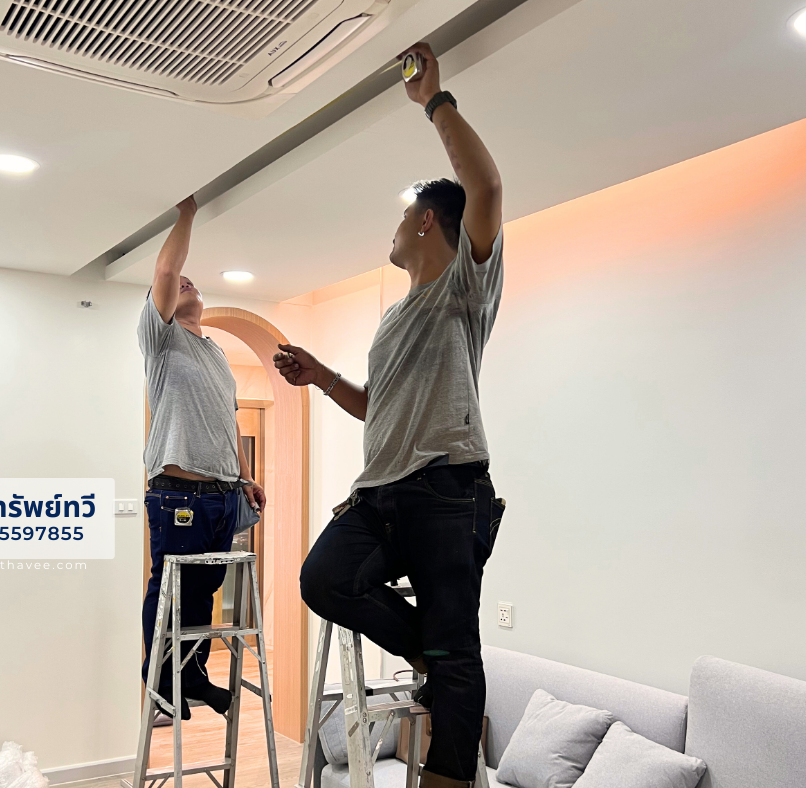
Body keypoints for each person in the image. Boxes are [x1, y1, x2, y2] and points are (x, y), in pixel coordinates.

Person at [274, 43, 504, 788]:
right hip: (383, 494)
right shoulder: (398, 316)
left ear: (430, 222)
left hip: (446, 489)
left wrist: (433, 100)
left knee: (455, 650)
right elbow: (378, 407)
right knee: (323, 579)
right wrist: (321, 377)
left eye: (406, 217)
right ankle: (426, 653)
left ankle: (447, 767)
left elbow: (486, 185)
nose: (396, 229)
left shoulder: (462, 288)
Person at [139, 195, 266, 721]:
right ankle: (158, 680)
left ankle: (191, 676)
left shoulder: (215, 352)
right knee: (172, 586)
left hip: (222, 496)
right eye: (180, 285)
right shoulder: (161, 339)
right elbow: (167, 271)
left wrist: (246, 478)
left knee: (202, 594)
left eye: (194, 283)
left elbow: (228, 420)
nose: (186, 283)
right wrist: (187, 212)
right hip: (179, 495)